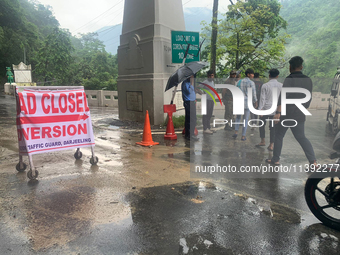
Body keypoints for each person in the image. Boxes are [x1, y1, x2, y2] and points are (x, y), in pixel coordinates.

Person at [266, 56, 317, 166]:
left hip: (286, 113)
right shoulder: (308, 80)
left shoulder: (290, 79)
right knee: (301, 137)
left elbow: (283, 96)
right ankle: (313, 161)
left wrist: (278, 113)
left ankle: (276, 159)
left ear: (290, 67)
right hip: (299, 114)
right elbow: (308, 98)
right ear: (301, 67)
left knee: (279, 135)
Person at [256, 69, 283, 151]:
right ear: (277, 76)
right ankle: (271, 145)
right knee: (273, 128)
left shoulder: (265, 85)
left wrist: (260, 109)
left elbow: (262, 98)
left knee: (262, 125)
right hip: (275, 110)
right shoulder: (281, 85)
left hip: (265, 109)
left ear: (269, 75)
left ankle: (262, 141)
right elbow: (282, 99)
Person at [232, 68, 257, 141]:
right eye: (252, 74)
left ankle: (236, 132)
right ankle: (243, 136)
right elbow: (253, 93)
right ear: (248, 74)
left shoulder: (239, 82)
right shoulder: (251, 83)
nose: (253, 75)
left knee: (238, 117)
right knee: (245, 119)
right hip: (247, 103)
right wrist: (255, 101)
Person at [182, 75, 199, 141]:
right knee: (191, 119)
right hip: (188, 102)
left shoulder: (189, 83)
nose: (192, 78)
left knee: (192, 119)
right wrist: (192, 83)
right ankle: (190, 135)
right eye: (191, 77)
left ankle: (189, 134)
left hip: (192, 102)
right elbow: (188, 91)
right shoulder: (185, 83)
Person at [201, 70, 215, 134]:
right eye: (209, 75)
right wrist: (202, 94)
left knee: (209, 114)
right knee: (205, 114)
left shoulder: (212, 82)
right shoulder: (205, 82)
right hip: (206, 100)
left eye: (212, 75)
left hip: (211, 100)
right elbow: (197, 88)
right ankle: (205, 128)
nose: (211, 77)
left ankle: (209, 127)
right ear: (207, 76)